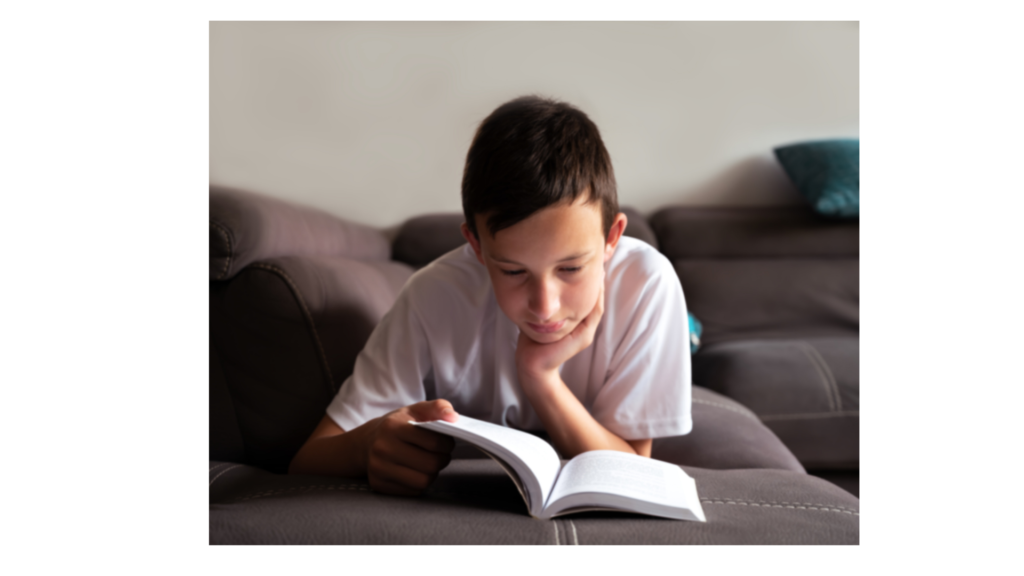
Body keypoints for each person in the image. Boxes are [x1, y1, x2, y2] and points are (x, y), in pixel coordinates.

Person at [289, 96, 692, 495]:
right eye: (513, 271)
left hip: (662, 326)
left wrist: (541, 377)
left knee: (689, 336)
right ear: (477, 246)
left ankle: (691, 334)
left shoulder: (647, 282)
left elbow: (635, 469)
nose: (545, 307)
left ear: (612, 239)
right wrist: (368, 444)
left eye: (570, 268)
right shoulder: (433, 295)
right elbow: (310, 458)